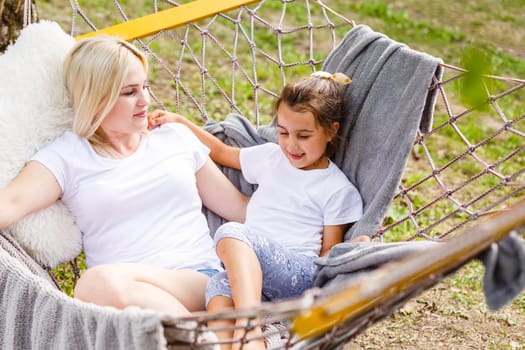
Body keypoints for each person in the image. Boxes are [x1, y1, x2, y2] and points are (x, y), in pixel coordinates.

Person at [0, 35, 249, 317]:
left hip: (199, 282)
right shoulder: (66, 157)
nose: (146, 100)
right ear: (97, 99)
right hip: (122, 299)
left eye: (145, 86)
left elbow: (239, 208)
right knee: (96, 286)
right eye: (130, 92)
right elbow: (11, 202)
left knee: (95, 284)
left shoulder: (175, 138)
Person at [149, 71, 367, 349]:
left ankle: (249, 324)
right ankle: (244, 344)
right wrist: (180, 122)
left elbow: (328, 251)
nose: (291, 144)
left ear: (331, 131)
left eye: (303, 135)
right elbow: (221, 152)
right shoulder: (271, 157)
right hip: (253, 279)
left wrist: (350, 262)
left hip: (296, 276)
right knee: (217, 287)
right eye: (283, 132)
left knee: (232, 233)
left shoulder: (336, 188)